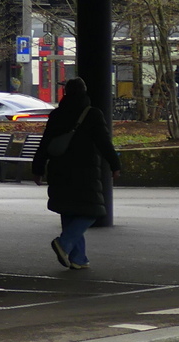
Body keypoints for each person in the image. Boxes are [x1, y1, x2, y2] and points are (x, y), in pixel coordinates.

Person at [30, 78, 121, 269]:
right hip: (85, 171)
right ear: (84, 92)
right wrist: (115, 164)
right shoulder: (92, 114)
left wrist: (38, 168)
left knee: (69, 210)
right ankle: (64, 243)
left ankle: (78, 258)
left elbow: (45, 143)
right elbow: (104, 142)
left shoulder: (57, 114)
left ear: (66, 93)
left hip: (59, 169)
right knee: (92, 212)